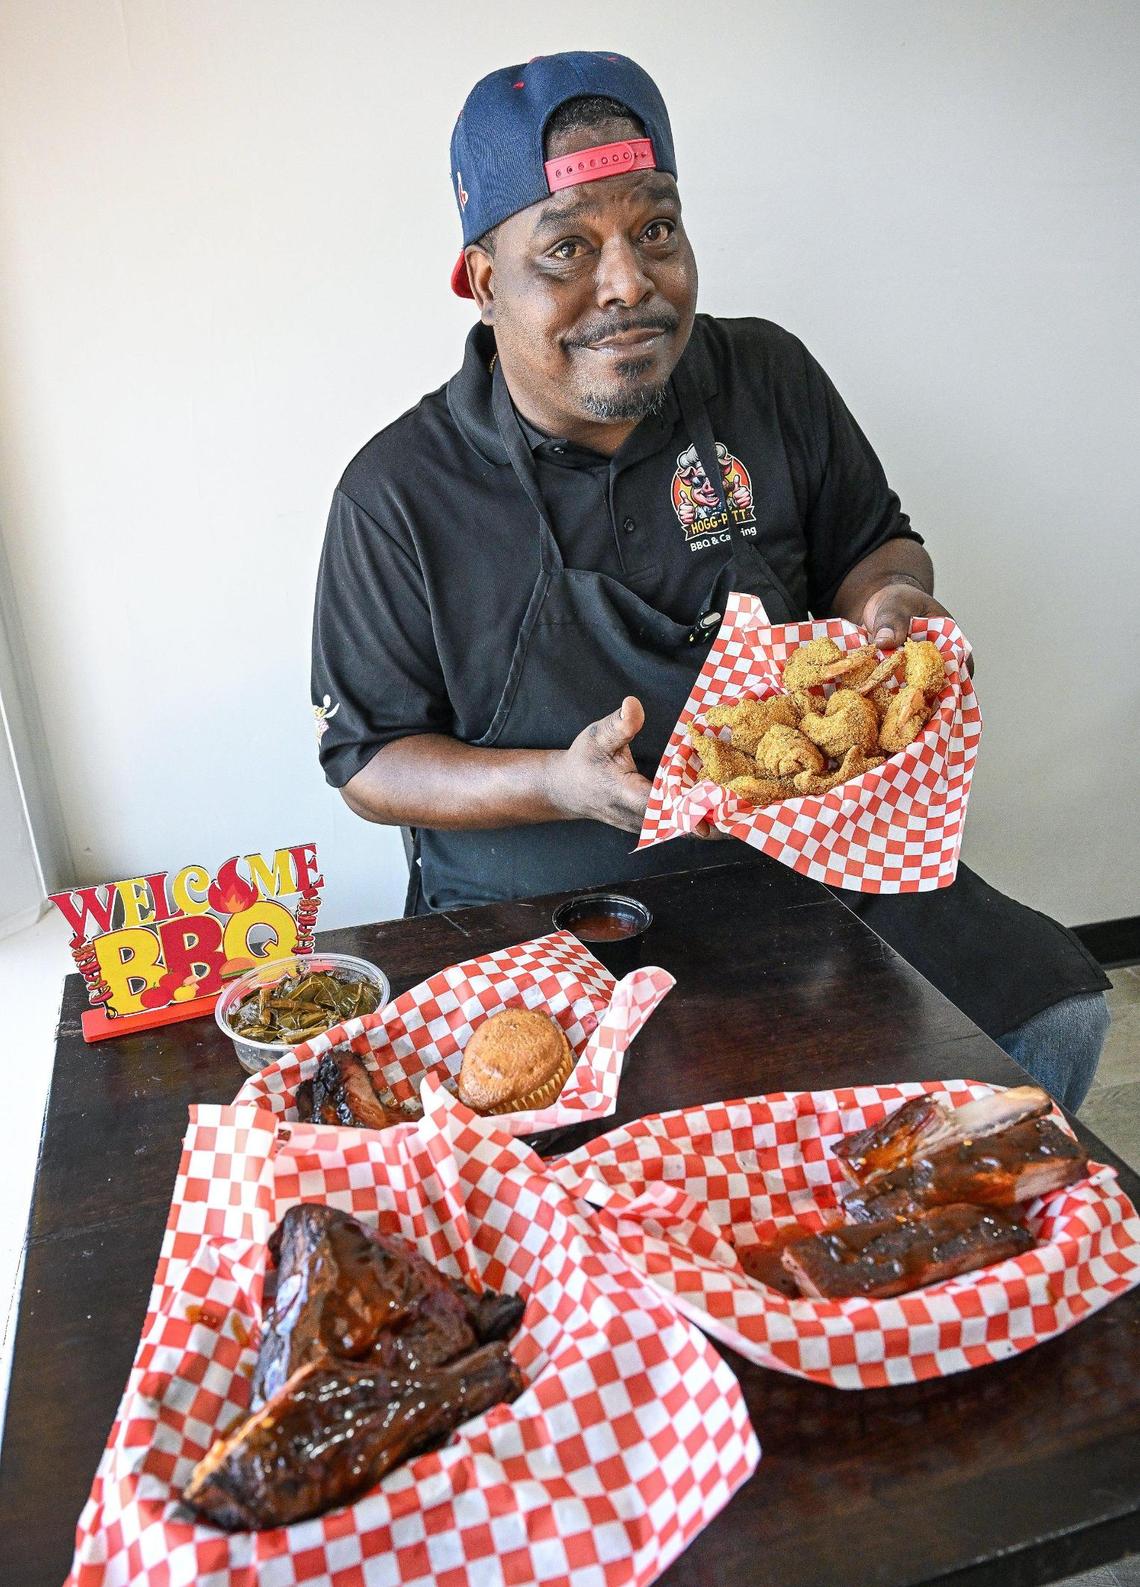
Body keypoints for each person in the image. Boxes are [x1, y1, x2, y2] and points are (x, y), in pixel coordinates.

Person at [311, 50, 1109, 1108]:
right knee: (642, 1147)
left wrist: (889, 604)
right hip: (554, 908)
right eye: (568, 250)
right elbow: (369, 759)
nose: (630, 284)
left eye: (656, 230)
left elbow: (877, 539)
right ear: (481, 279)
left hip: (808, 862)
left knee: (1053, 1009)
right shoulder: (398, 495)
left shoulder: (765, 376)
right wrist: (558, 783)